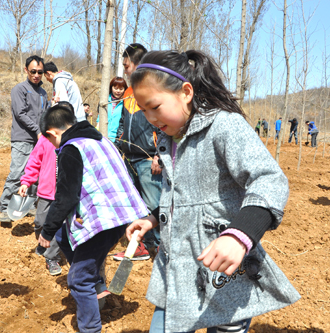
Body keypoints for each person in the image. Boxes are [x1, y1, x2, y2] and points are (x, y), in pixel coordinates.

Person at [126, 50, 300, 332]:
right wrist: (153, 218)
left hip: (223, 274)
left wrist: (239, 235)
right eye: (143, 110)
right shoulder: (171, 138)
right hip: (177, 273)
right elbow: (182, 196)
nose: (149, 118)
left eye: (154, 107)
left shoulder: (224, 125)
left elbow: (269, 179)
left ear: (185, 92)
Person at [37, 102, 149, 333]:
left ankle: (90, 328)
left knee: (78, 279)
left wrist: (46, 232)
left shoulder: (71, 148)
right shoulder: (100, 140)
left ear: (52, 133)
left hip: (105, 220)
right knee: (64, 235)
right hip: (121, 214)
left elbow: (65, 196)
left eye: (51, 142)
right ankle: (96, 281)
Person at [114, 43, 162, 260]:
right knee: (134, 204)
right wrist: (120, 140)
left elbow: (162, 123)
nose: (124, 69)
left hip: (147, 157)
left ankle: (162, 248)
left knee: (154, 204)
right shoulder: (128, 91)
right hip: (128, 156)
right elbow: (124, 121)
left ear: (137, 63)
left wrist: (159, 154)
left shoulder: (153, 88)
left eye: (126, 65)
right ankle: (141, 246)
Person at [0, 55, 49, 223]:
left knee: (35, 174)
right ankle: (5, 207)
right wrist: (37, 130)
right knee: (18, 172)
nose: (36, 75)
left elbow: (45, 114)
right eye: (33, 71)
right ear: (26, 70)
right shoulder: (19, 89)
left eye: (40, 72)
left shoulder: (43, 92)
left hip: (39, 139)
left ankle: (29, 205)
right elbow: (21, 114)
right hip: (23, 138)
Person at [18, 135, 62, 276]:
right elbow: (34, 161)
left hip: (63, 195)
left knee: (58, 227)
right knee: (40, 222)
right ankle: (42, 240)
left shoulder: (73, 140)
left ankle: (52, 257)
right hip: (46, 192)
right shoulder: (45, 139)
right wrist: (26, 181)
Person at [96, 76, 128, 143]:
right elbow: (99, 118)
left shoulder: (125, 103)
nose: (118, 91)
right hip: (102, 137)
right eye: (115, 88)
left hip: (117, 140)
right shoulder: (104, 101)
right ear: (111, 87)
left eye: (121, 89)